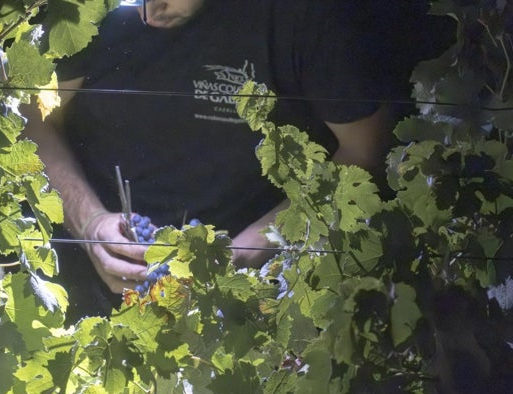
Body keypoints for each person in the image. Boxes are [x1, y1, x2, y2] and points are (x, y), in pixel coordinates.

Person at [25, 0, 403, 324]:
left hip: (253, 307)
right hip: (95, 302)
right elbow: (31, 118)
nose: (150, 12)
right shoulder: (88, 12)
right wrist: (89, 221)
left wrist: (243, 255)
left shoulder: (300, 18)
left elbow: (365, 152)